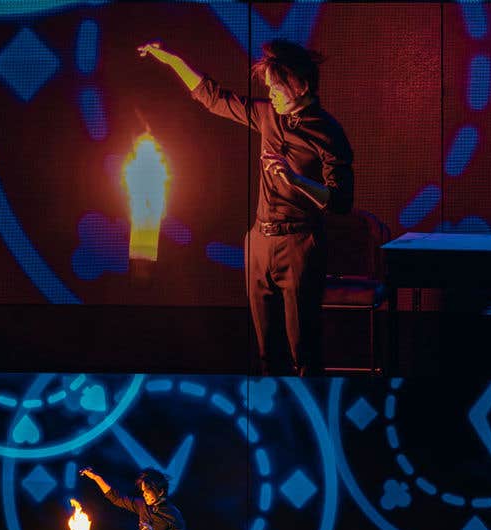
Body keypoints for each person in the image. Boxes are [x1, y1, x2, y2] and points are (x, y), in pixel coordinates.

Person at [138, 39, 354, 376]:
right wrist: (171, 59)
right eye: (268, 87)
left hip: (299, 246)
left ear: (300, 85)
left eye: (276, 87)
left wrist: (294, 179)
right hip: (258, 242)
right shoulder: (268, 114)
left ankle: (306, 415)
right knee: (267, 351)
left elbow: (341, 201)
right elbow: (214, 98)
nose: (271, 95)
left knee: (304, 350)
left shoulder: (328, 133)